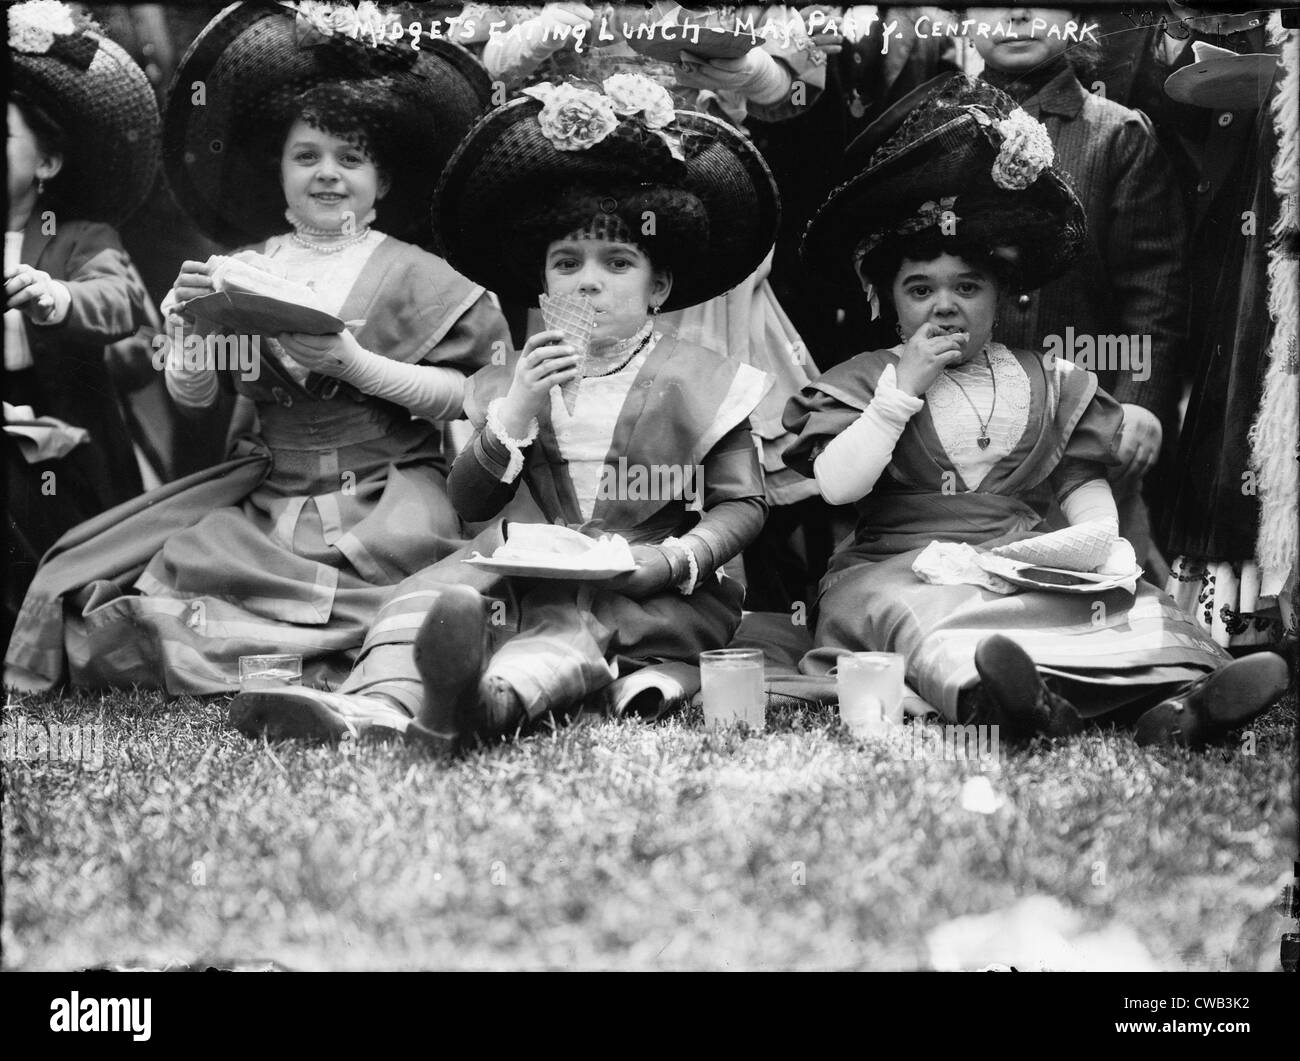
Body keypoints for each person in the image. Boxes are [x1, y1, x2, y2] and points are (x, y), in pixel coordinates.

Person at [227, 74, 776, 751]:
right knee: (440, 587)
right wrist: (515, 412)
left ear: (658, 285)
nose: (589, 281)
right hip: (526, 566)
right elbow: (469, 504)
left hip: (654, 587)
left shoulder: (705, 380)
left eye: (618, 262)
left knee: (571, 622)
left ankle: (481, 705)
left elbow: (745, 504)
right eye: (567, 263)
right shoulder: (514, 378)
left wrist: (673, 559)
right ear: (543, 284)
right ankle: (377, 705)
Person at [4, 2, 507, 694]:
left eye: (350, 158)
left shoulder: (423, 275)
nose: (327, 173)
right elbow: (200, 401)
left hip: (389, 490)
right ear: (280, 171)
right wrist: (187, 351)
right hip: (273, 488)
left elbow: (467, 398)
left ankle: (357, 655)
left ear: (382, 180)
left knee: (414, 579)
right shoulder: (241, 268)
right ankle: (289, 667)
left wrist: (357, 366)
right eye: (307, 156)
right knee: (171, 573)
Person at [783, 76, 1289, 747]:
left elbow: (1080, 482)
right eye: (919, 289)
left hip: (1018, 555)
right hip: (899, 560)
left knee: (1122, 604)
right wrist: (901, 389)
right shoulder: (863, 380)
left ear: (1003, 296)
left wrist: (1099, 550)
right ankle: (1017, 700)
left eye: (968, 287)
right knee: (926, 612)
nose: (944, 305)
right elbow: (840, 484)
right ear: (886, 299)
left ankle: (1183, 700)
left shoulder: (1049, 380)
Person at [468, 2, 827, 609]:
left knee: (696, 397)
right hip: (567, 199)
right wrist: (552, 22)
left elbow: (797, 92)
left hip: (684, 196)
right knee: (566, 408)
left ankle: (709, 583)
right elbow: (480, 66)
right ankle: (560, 563)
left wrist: (745, 69)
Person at [972, 7, 1189, 575]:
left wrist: (1141, 403)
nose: (1016, 14)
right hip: (957, 421)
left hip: (1081, 426)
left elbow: (1153, 286)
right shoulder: (933, 129)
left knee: (1094, 580)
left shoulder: (1116, 134)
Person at [5, 1, 156, 654]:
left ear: (47, 164)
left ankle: (52, 625)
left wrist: (54, 297)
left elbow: (120, 298)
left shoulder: (78, 239)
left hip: (67, 449)